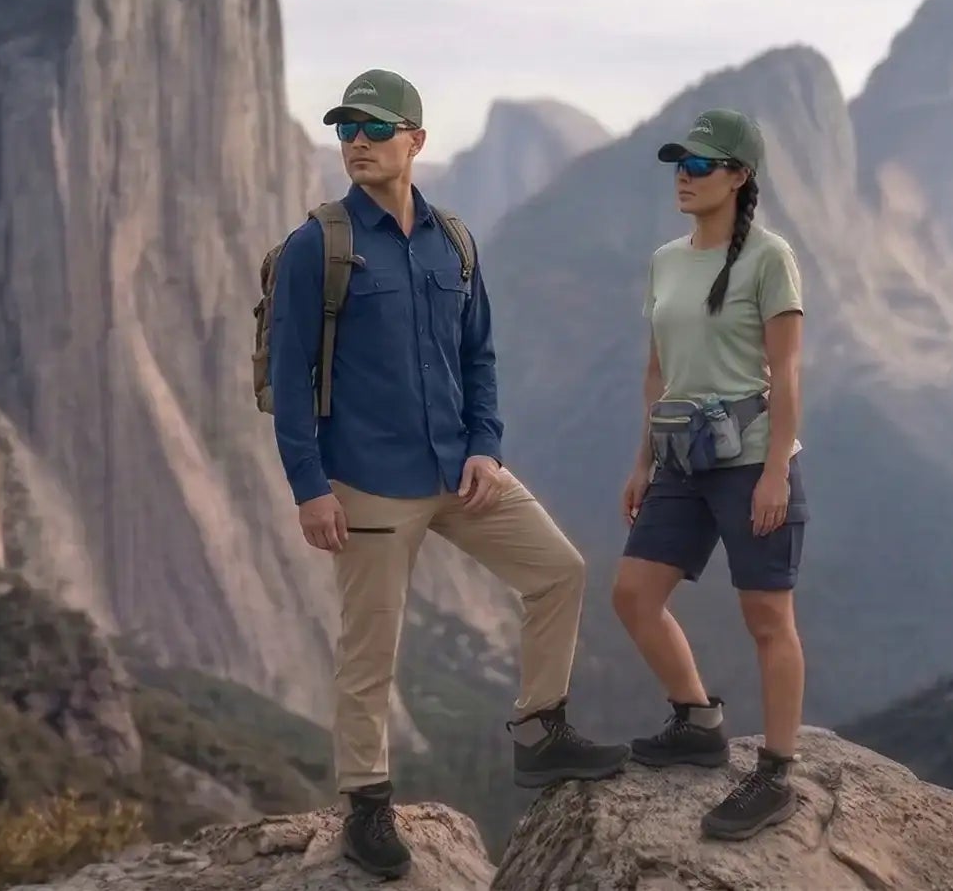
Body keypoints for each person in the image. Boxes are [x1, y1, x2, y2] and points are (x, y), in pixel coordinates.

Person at [265, 67, 630, 879]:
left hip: (457, 471)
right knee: (371, 651)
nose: (356, 142)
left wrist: (486, 444)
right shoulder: (315, 247)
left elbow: (479, 355)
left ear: (415, 140)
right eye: (345, 129)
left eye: (373, 127)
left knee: (558, 571)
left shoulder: (453, 241)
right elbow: (289, 381)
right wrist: (309, 488)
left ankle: (541, 732)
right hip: (366, 482)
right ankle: (365, 804)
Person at [611, 107, 812, 842]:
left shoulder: (769, 257)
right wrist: (641, 462)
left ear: (739, 176)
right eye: (678, 164)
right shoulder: (667, 260)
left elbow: (787, 370)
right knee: (633, 595)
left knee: (767, 618)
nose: (683, 177)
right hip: (679, 459)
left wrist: (776, 472)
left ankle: (778, 772)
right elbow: (658, 369)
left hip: (752, 457)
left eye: (698, 166)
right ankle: (697, 719)